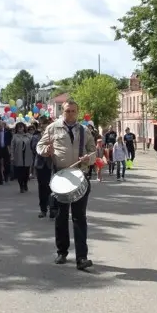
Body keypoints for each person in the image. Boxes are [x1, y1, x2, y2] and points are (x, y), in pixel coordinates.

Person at [36, 100, 96, 270]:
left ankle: (82, 257)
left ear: (77, 112)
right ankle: (62, 252)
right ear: (62, 112)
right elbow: (40, 145)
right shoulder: (53, 128)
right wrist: (45, 151)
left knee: (79, 217)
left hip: (80, 176)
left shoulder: (84, 130)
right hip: (61, 177)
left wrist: (88, 158)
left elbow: (93, 151)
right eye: (67, 111)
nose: (70, 114)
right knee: (61, 217)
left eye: (73, 111)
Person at [31, 118, 53, 216]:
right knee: (42, 187)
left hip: (52, 164)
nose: (45, 126)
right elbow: (34, 148)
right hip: (40, 164)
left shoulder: (54, 136)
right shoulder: (36, 137)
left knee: (52, 186)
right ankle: (43, 209)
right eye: (43, 124)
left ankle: (52, 208)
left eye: (47, 124)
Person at [11, 121, 33, 193]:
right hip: (18, 156)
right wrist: (12, 156)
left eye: (21, 127)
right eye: (19, 127)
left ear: (24, 128)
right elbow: (12, 147)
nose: (20, 128)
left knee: (26, 172)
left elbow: (33, 144)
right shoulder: (15, 136)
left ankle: (25, 184)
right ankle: (21, 186)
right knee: (19, 173)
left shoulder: (28, 135)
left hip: (27, 156)